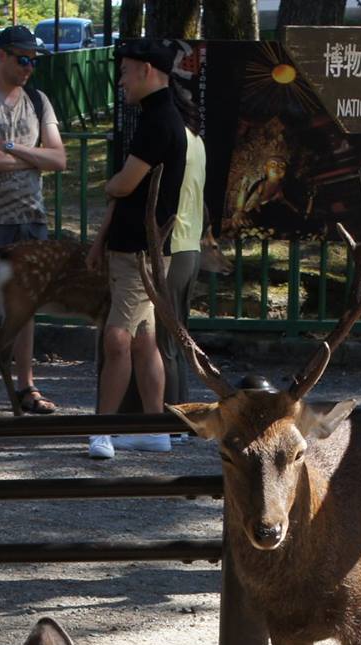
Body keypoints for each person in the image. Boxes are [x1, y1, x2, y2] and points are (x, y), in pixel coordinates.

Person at [0, 25, 68, 417]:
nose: (28, 67)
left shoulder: (39, 101)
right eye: (22, 59)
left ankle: (26, 385)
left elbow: (59, 159)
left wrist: (14, 149)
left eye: (33, 61)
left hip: (30, 216)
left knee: (27, 306)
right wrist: (32, 156)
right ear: (1, 55)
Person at [85, 36, 187, 461]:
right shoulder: (158, 115)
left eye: (126, 70)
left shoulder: (158, 120)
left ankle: (104, 430)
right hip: (141, 246)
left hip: (138, 250)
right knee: (145, 340)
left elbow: (124, 184)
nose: (121, 80)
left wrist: (108, 184)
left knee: (117, 338)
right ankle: (154, 428)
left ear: (147, 70)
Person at [159, 82, 207, 408]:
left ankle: (172, 414)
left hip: (173, 246)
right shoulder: (197, 142)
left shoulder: (174, 141)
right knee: (179, 337)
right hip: (192, 246)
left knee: (165, 340)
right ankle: (182, 409)